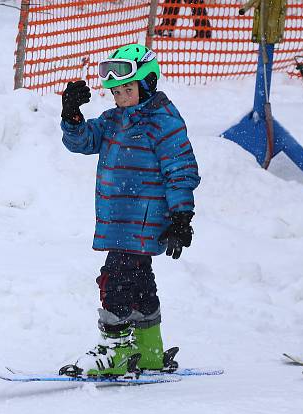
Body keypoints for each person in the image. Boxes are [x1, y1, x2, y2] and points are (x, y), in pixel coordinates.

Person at [57, 44, 200, 377]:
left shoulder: (163, 121)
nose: (120, 96)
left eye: (127, 89)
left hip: (144, 221)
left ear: (147, 84)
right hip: (119, 222)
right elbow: (82, 141)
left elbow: (181, 169)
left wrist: (181, 217)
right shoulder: (113, 120)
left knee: (116, 281)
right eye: (116, 91)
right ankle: (149, 350)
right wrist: (72, 115)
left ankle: (116, 350)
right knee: (139, 283)